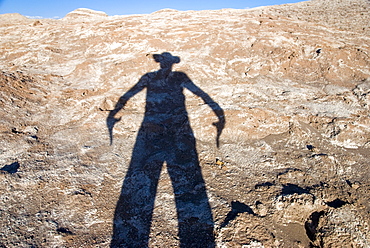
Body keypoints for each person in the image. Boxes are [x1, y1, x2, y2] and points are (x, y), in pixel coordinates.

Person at [107, 52, 225, 247]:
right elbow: (201, 94)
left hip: (160, 128)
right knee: (185, 176)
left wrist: (114, 112)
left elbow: (129, 94)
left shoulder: (161, 77)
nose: (165, 65)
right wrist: (219, 114)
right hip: (172, 128)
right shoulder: (173, 77)